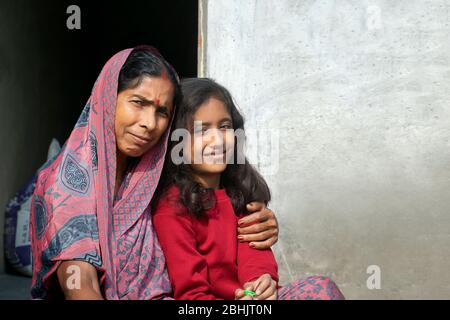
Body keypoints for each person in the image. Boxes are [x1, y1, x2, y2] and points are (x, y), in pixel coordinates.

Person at [30, 46, 279, 300]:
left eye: (162, 112)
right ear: (107, 98)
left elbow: (218, 211)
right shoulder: (67, 183)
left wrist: (264, 221)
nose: (149, 123)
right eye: (138, 102)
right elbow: (79, 282)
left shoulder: (152, 171)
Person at [152, 78, 345, 300]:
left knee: (321, 289)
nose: (217, 140)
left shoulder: (239, 193)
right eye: (201, 130)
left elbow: (254, 253)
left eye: (224, 126)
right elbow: (191, 293)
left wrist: (261, 283)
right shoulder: (173, 207)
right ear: (176, 141)